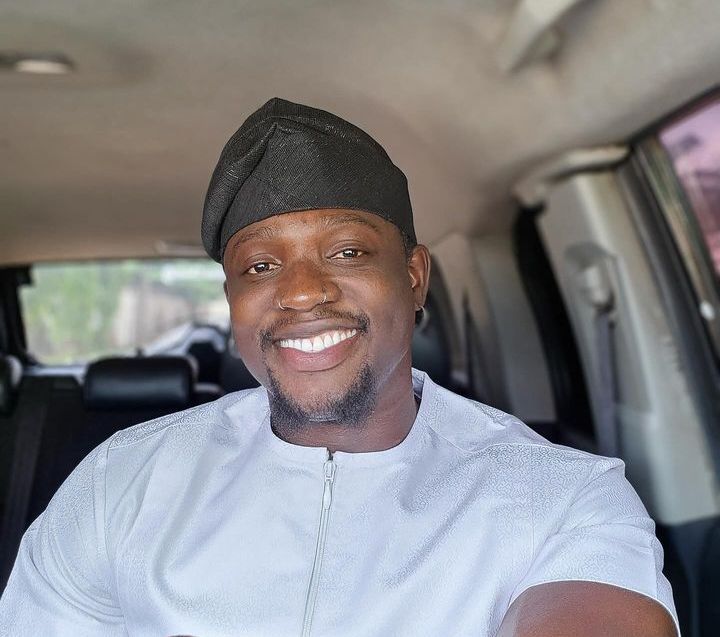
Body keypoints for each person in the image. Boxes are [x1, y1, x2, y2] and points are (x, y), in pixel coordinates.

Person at [0, 98, 678, 636]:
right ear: (232, 302)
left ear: (414, 276)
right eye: (260, 266)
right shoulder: (121, 483)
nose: (300, 292)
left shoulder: (559, 496)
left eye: (347, 252)